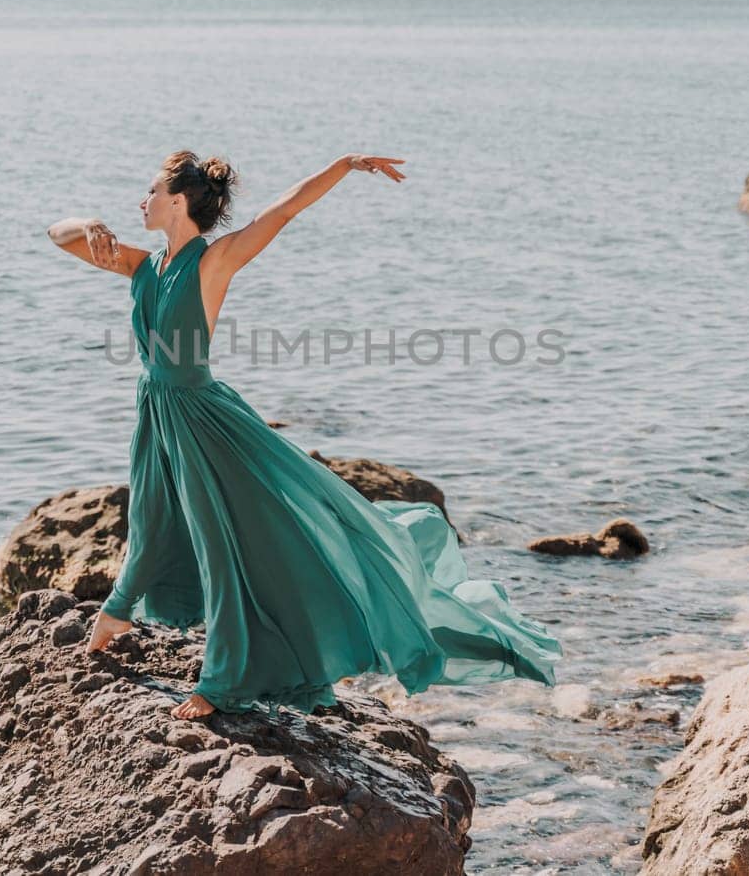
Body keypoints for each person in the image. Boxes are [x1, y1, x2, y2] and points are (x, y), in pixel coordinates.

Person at [46, 150, 562, 720]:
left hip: (202, 418)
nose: (139, 201)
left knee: (227, 547)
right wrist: (88, 224)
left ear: (177, 201)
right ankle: (114, 618)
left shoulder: (212, 261)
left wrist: (344, 165)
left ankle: (220, 681)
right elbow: (57, 235)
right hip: (157, 413)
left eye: (148, 191)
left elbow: (284, 211)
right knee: (151, 521)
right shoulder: (146, 267)